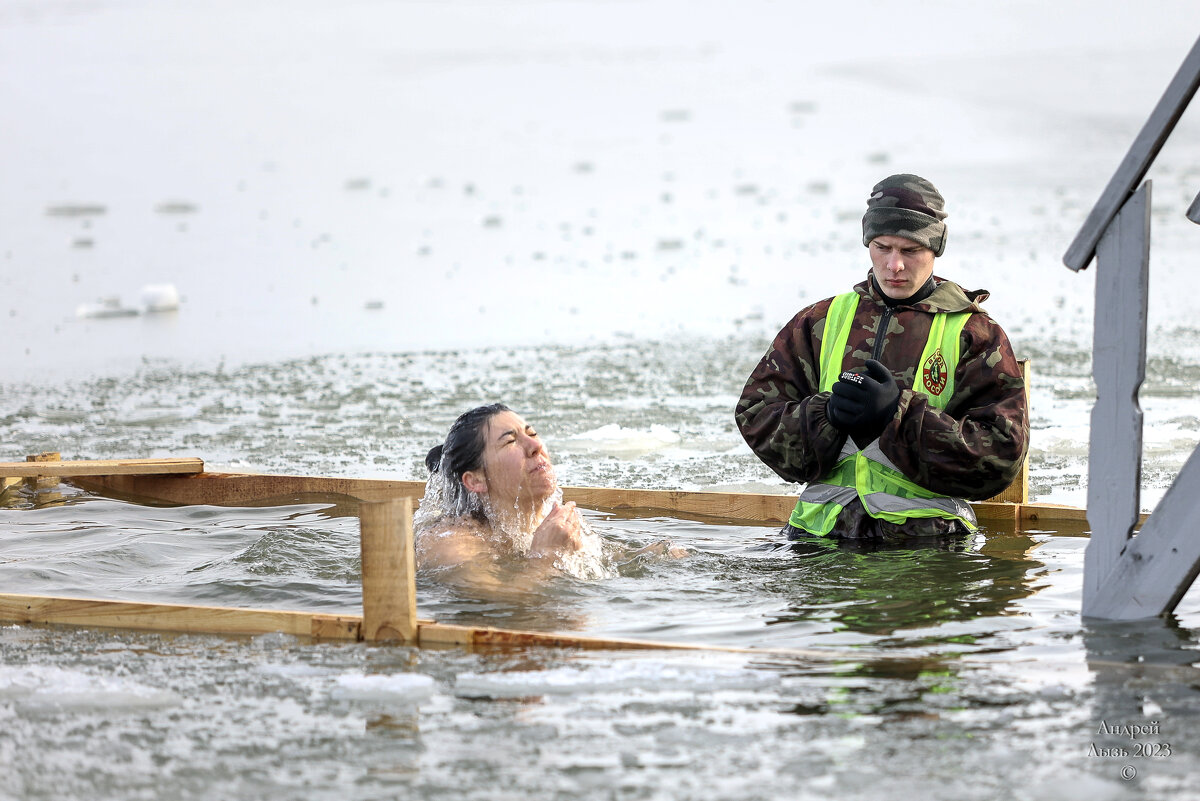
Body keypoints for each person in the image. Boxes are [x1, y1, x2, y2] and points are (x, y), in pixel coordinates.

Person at [735, 174, 1029, 542]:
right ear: (867, 243)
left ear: (935, 249)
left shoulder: (976, 335)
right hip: (820, 536)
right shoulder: (819, 322)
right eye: (882, 247)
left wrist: (898, 418)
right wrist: (822, 417)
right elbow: (755, 414)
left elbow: (1001, 459)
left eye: (910, 251)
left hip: (928, 541)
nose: (894, 266)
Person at [414, 403, 610, 580]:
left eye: (532, 434)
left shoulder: (546, 523)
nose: (536, 446)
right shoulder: (450, 544)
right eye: (510, 441)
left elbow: (623, 562)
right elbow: (500, 604)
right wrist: (546, 556)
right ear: (475, 480)